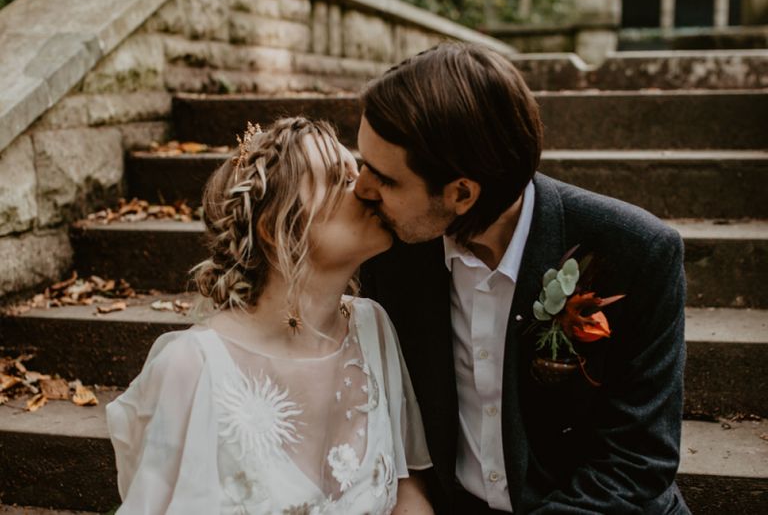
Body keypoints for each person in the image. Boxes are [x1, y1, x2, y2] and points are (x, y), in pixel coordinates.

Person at [355, 42, 690, 514]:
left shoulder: (634, 253)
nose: (361, 189)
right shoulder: (391, 252)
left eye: (384, 179)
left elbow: (637, 461)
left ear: (462, 193)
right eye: (361, 163)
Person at [107, 117, 434, 514]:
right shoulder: (191, 368)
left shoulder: (373, 327)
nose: (367, 188)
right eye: (338, 179)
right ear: (274, 227)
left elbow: (407, 492)